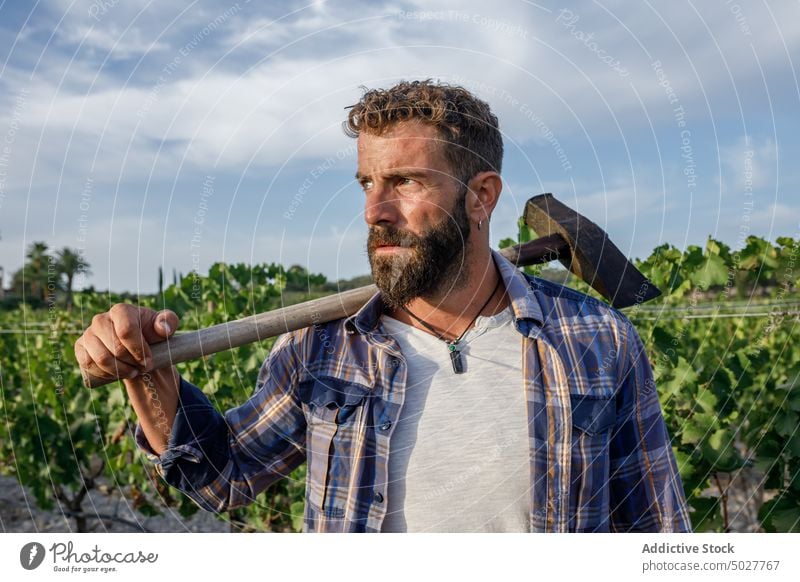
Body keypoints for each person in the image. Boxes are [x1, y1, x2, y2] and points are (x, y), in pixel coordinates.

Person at [74, 79, 691, 533]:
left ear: (481, 197)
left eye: (405, 182)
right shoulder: (322, 347)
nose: (374, 211)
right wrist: (147, 371)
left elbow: (655, 530)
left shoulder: (596, 342)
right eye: (368, 184)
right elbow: (225, 475)